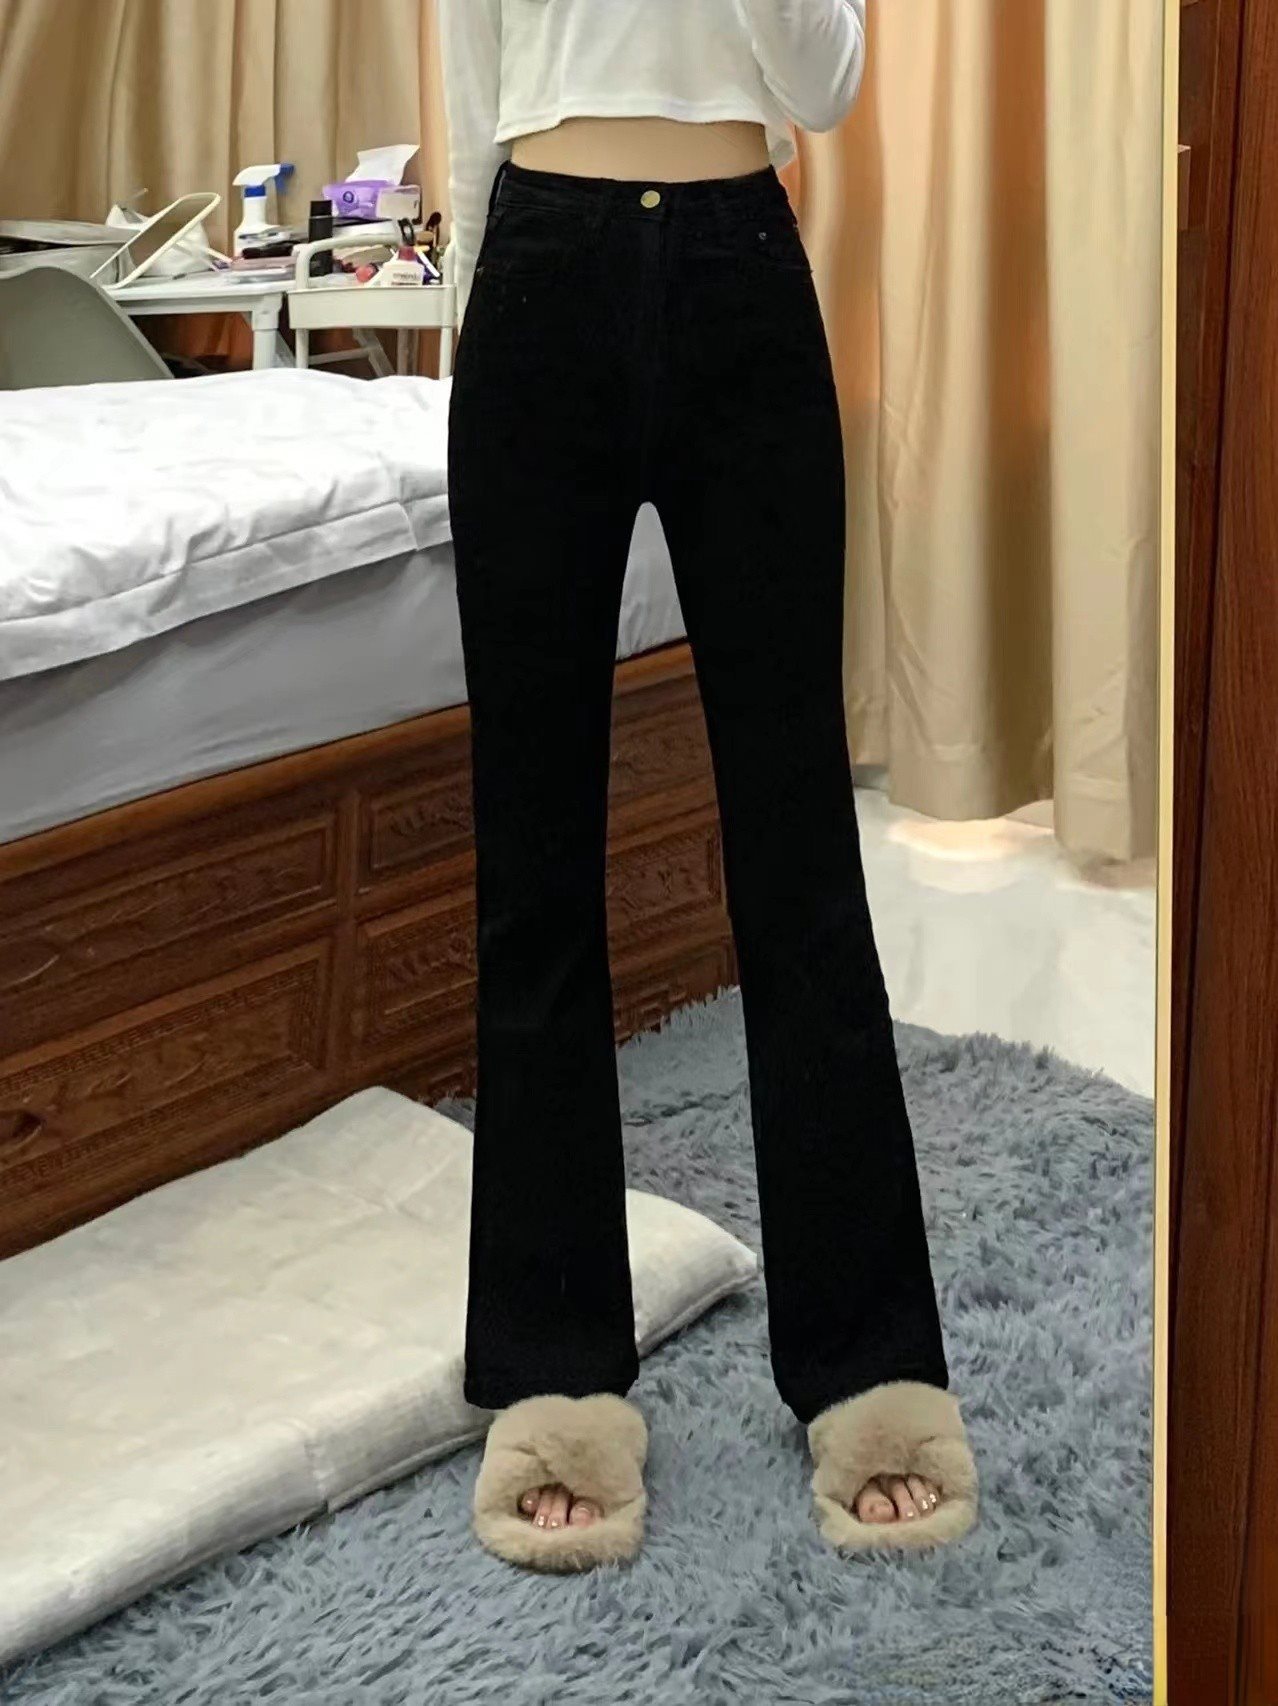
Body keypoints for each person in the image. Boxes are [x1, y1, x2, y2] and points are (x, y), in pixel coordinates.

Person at [439, 0, 978, 1572]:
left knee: (798, 853)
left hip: (743, 267)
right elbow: (474, 92)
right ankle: (552, 1369)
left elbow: (824, 84)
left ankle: (868, 1363)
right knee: (534, 861)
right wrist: (477, 332)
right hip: (537, 272)